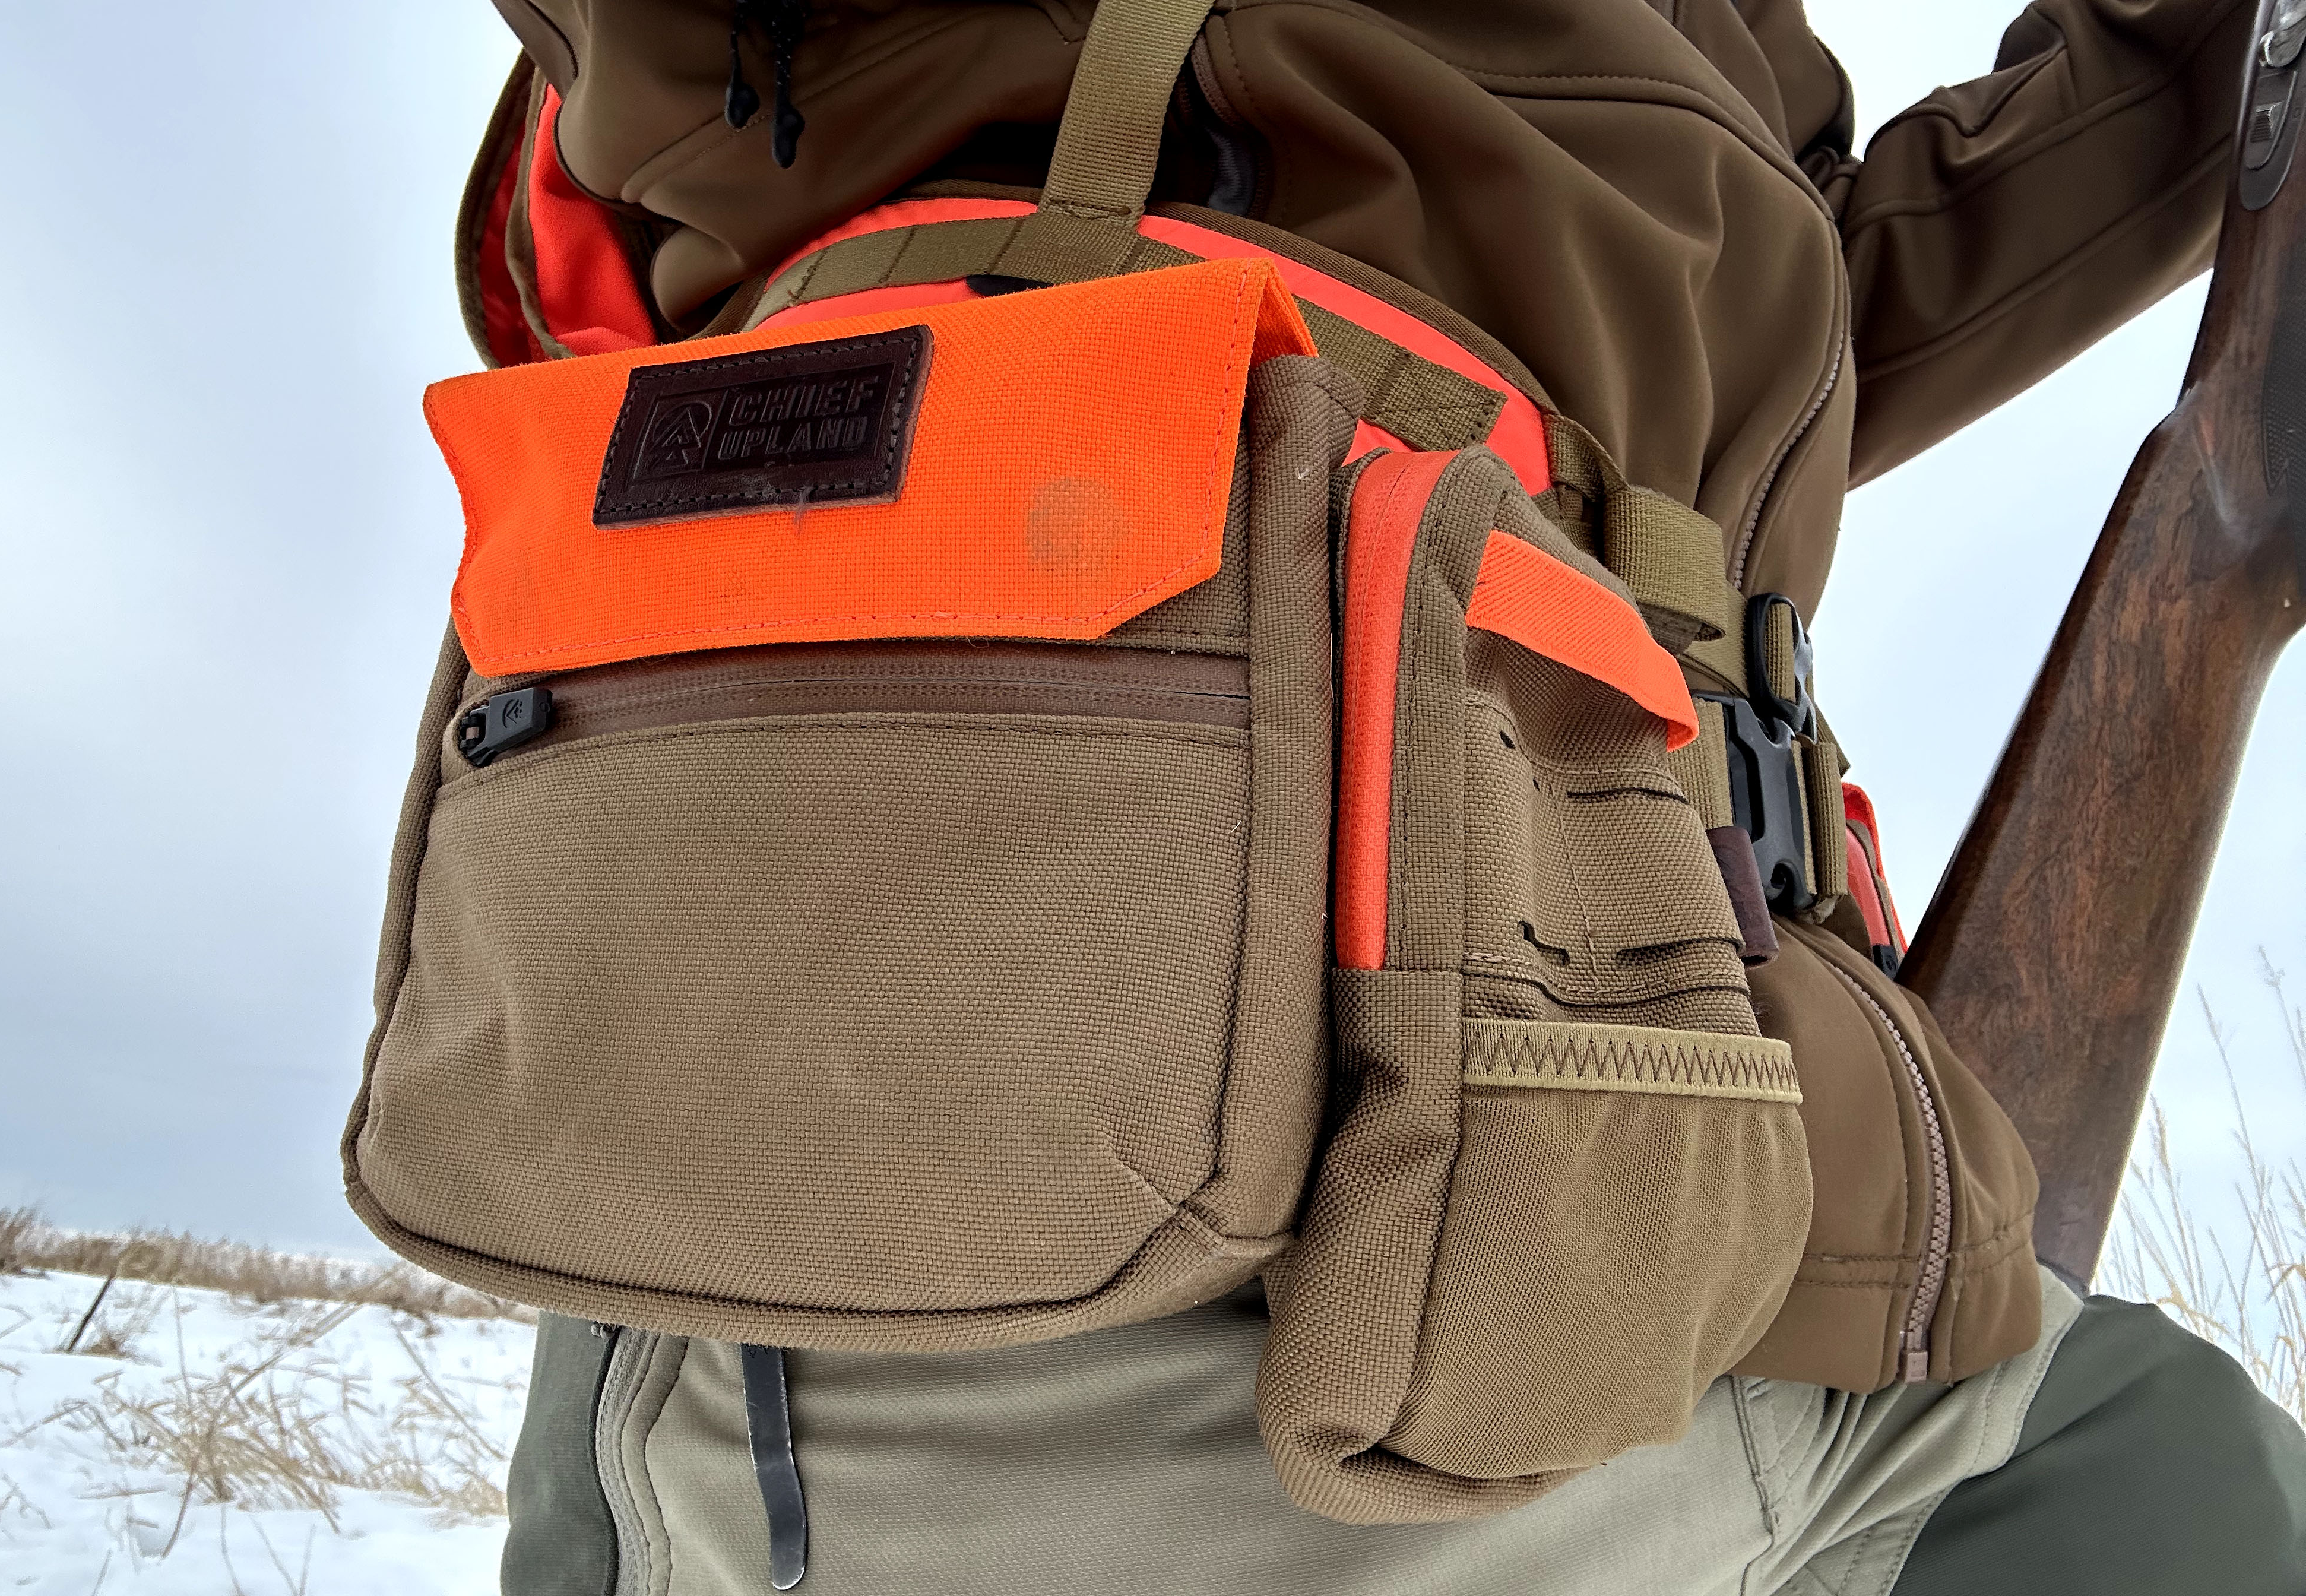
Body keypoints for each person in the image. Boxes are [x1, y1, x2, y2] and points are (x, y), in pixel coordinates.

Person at [408, 1, 2306, 1589]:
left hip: (1675, 1105)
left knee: (2161, 1465)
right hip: (1126, 1143)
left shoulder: (1704, 77)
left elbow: (1772, 315)